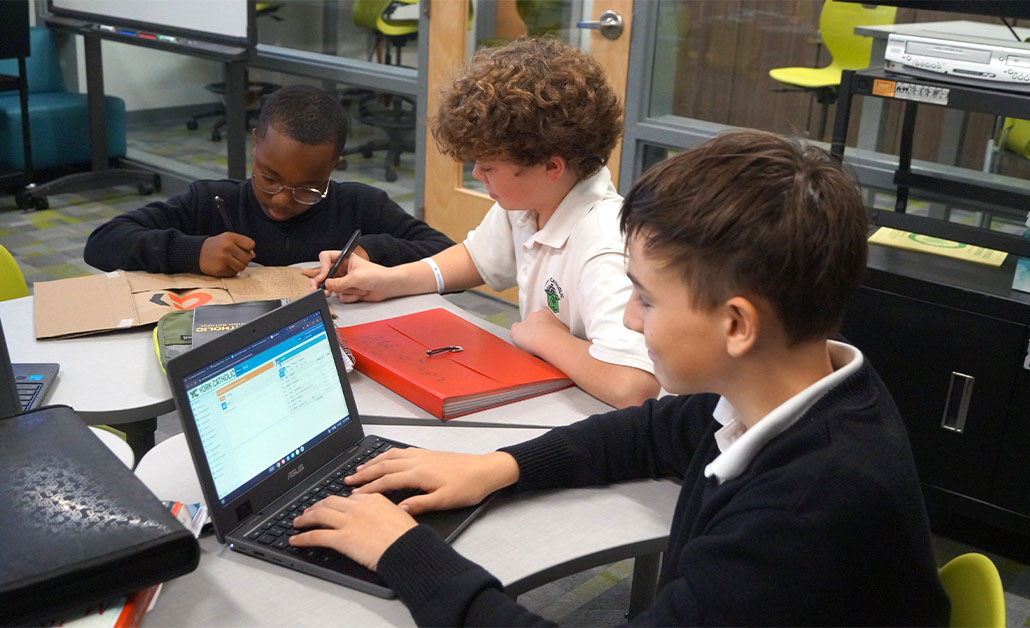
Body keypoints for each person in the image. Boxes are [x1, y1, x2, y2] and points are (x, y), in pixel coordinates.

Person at [290, 130, 951, 626]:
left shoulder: (801, 518)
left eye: (648, 300)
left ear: (738, 326)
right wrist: (495, 467)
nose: (630, 319)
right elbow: (655, 431)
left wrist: (406, 552)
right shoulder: (805, 385)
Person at [311, 38, 659, 409]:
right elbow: (477, 259)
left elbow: (633, 387)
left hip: (599, 416)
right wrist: (388, 281)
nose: (477, 173)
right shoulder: (531, 200)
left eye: (489, 167)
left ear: (551, 167)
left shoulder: (604, 245)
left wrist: (545, 338)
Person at [83, 85, 453, 278]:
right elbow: (102, 244)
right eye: (269, 179)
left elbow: (445, 253)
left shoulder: (359, 206)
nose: (281, 201)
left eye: (308, 188)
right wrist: (193, 252)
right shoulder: (212, 201)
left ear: (333, 167)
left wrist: (371, 253)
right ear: (256, 144)